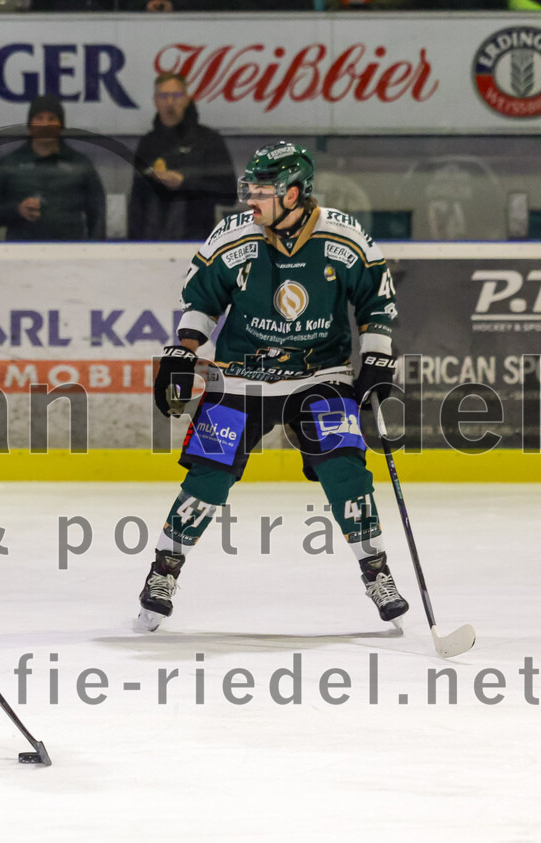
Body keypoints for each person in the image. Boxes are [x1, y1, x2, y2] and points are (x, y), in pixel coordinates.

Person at [140, 140, 409, 631]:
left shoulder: (343, 238)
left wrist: (376, 356)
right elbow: (202, 298)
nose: (251, 200)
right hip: (241, 374)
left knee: (345, 470)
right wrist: (185, 348)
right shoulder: (234, 236)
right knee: (208, 476)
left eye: (262, 191)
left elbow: (376, 301)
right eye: (251, 189)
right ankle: (163, 572)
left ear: (293, 194)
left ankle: (378, 574)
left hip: (319, 376)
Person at [0, 94, 106, 241]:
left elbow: (98, 214)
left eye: (52, 119)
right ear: (30, 126)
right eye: (39, 118)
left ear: (61, 125)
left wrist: (95, 253)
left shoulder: (80, 164)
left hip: (70, 255)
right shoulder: (10, 163)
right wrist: (16, 210)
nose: (45, 124)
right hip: (21, 255)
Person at [128, 72, 236, 242]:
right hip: (151, 243)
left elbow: (230, 195)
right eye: (164, 96)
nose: (170, 102)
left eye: (176, 95)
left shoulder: (208, 140)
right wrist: (132, 245)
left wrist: (185, 183)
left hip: (197, 241)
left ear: (186, 99)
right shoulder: (148, 143)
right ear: (155, 101)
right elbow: (137, 202)